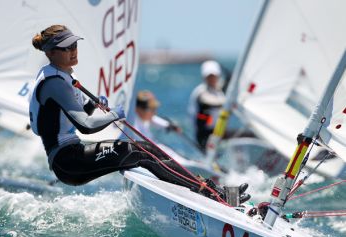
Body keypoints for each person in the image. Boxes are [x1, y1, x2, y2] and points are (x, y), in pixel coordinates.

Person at [29, 25, 250, 204]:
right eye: (66, 48)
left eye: (74, 45)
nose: (73, 50)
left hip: (73, 153)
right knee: (139, 152)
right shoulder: (55, 83)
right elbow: (86, 126)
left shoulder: (62, 76)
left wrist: (94, 107)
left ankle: (210, 188)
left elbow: (71, 118)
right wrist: (114, 114)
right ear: (50, 53)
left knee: (148, 147)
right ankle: (211, 194)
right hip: (67, 161)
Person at [188, 60, 227, 150]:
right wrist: (228, 104)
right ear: (204, 77)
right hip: (204, 133)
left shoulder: (219, 91)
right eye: (209, 76)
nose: (212, 79)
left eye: (214, 76)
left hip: (218, 132)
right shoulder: (200, 92)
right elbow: (208, 102)